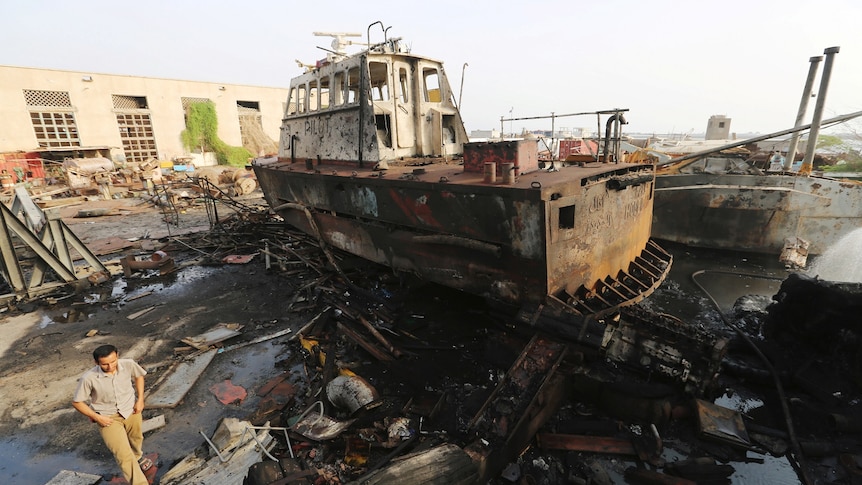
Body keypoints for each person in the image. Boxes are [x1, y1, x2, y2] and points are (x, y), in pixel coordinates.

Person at [73, 344, 151, 485]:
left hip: (131, 410)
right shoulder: (89, 378)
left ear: (117, 356)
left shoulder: (128, 364)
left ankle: (138, 457)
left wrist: (140, 399)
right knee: (123, 455)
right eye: (105, 364)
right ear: (96, 363)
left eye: (113, 361)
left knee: (136, 438)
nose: (110, 367)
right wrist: (97, 417)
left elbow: (139, 376)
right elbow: (77, 402)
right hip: (107, 418)